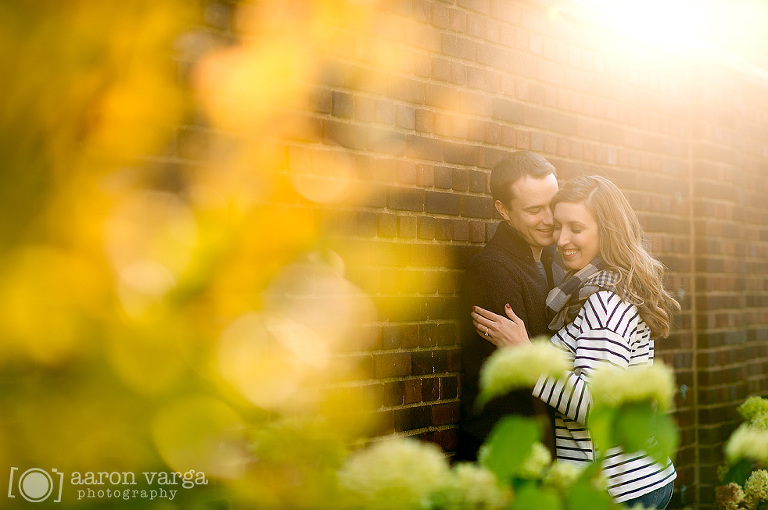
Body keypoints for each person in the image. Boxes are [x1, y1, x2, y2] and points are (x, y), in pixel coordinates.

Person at [471, 175, 679, 508]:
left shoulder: (603, 302)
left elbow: (596, 407)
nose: (562, 239)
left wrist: (526, 356)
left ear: (607, 231)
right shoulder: (598, 289)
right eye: (559, 226)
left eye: (576, 229)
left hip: (616, 489)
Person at [457, 151, 563, 462]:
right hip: (508, 452)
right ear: (503, 210)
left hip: (544, 450)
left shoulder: (554, 264)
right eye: (534, 210)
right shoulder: (492, 271)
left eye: (552, 205)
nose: (549, 219)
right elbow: (519, 378)